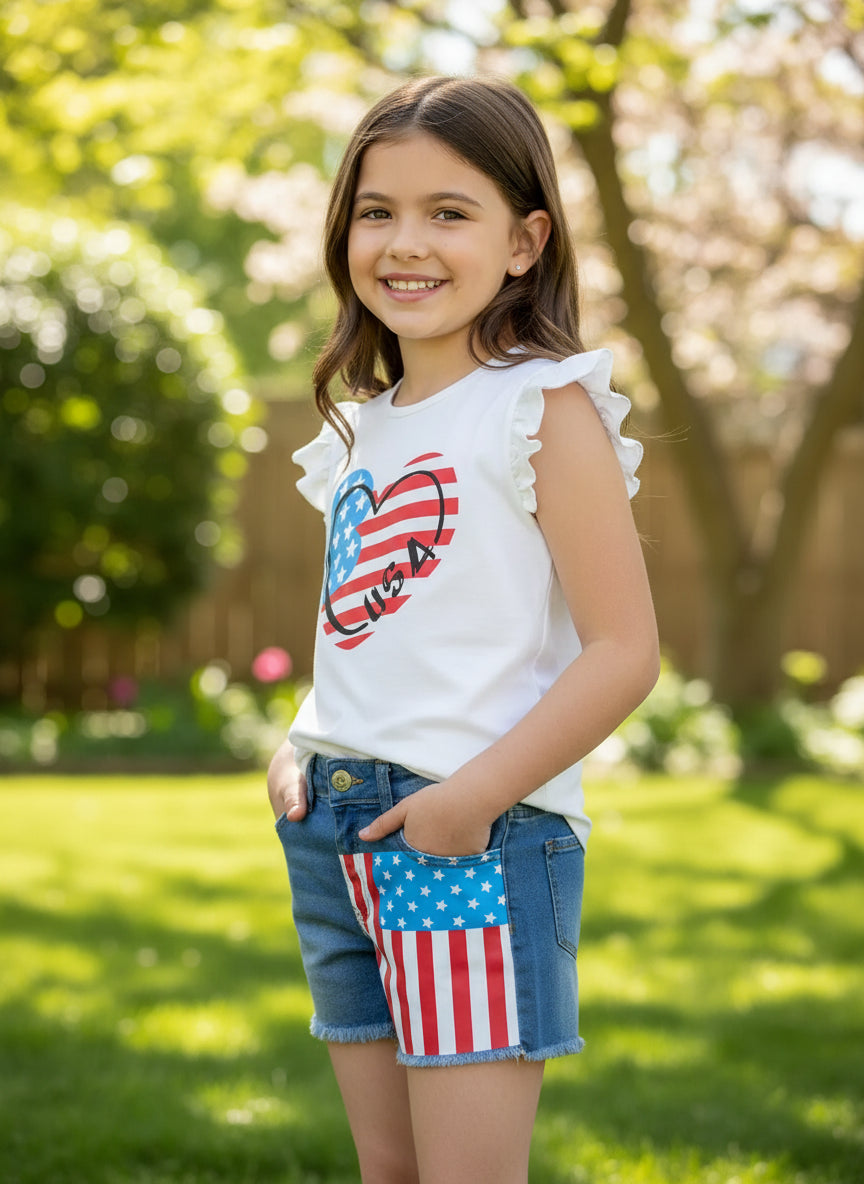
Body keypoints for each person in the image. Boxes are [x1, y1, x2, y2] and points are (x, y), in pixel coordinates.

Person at [267, 75, 659, 1184]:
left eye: (451, 212)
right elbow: (374, 622)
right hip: (332, 829)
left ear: (526, 240)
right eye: (377, 210)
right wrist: (301, 734)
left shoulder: (544, 406)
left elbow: (625, 651)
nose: (406, 242)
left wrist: (470, 798)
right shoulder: (367, 424)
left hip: (471, 832)